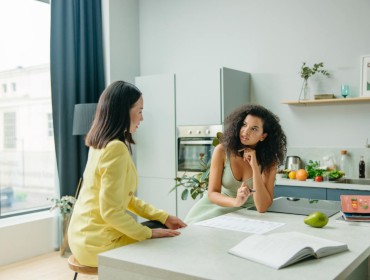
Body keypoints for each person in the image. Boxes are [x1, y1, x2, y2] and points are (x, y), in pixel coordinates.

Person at [68, 81, 187, 267]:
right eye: (139, 111)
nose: (142, 118)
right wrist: (147, 233)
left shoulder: (99, 144)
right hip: (97, 244)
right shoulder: (116, 148)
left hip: (81, 238)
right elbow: (111, 212)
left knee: (160, 227)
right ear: (124, 111)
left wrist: (163, 216)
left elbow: (125, 199)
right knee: (165, 241)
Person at [184, 104, 287, 224]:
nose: (245, 131)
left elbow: (262, 207)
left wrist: (254, 166)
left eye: (254, 129)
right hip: (213, 208)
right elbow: (212, 193)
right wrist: (236, 201)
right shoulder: (222, 150)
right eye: (244, 124)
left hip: (247, 214)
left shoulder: (269, 161)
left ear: (263, 136)